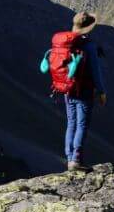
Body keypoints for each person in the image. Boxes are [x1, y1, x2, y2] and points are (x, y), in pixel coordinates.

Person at [41, 11, 108, 171]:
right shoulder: (89, 45)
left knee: (71, 123)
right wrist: (102, 91)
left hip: (67, 89)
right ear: (89, 27)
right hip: (84, 91)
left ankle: (69, 158)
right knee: (82, 124)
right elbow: (95, 70)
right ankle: (77, 159)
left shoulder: (65, 43)